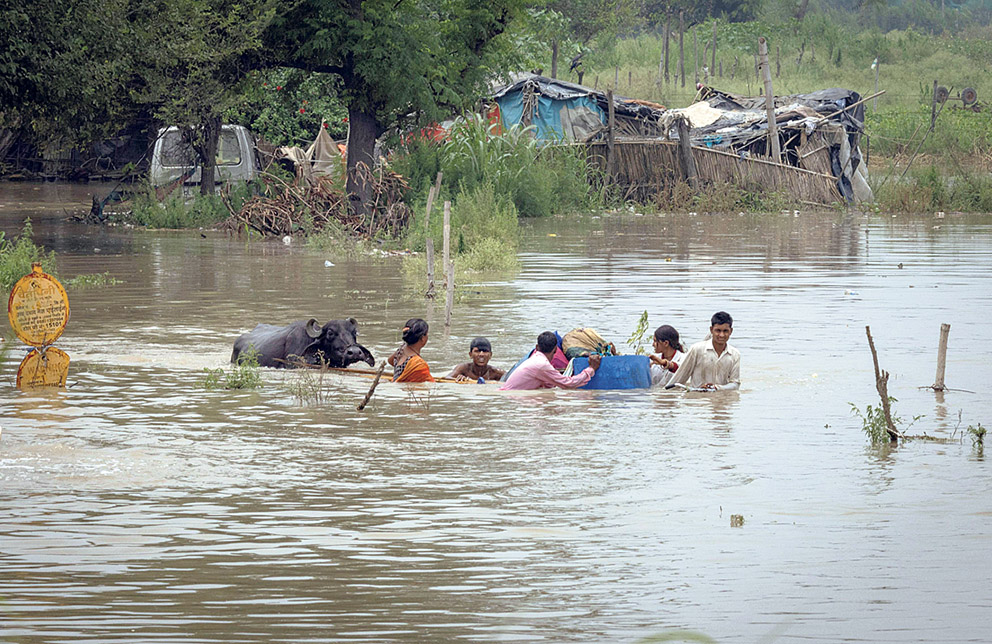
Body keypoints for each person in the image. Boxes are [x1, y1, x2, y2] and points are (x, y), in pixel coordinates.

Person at [500, 331, 601, 390]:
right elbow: (568, 384)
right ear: (556, 350)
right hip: (511, 396)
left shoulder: (535, 359)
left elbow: (549, 383)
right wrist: (591, 369)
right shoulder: (541, 364)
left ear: (537, 347)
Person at [669, 311, 739, 391]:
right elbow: (680, 377)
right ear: (711, 330)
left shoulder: (735, 354)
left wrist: (717, 388)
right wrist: (665, 395)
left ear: (731, 331)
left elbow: (735, 384)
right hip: (697, 400)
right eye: (718, 331)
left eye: (725, 331)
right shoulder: (697, 349)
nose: (722, 335)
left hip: (722, 401)